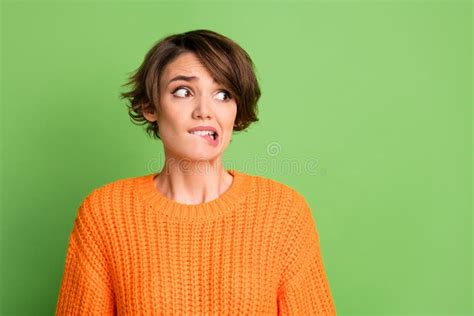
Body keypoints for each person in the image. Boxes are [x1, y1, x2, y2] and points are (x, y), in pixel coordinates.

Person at [55, 29, 337, 315]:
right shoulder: (105, 214)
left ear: (236, 111)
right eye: (183, 91)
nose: (205, 110)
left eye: (223, 94)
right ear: (151, 107)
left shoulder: (284, 213)